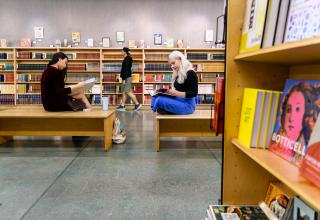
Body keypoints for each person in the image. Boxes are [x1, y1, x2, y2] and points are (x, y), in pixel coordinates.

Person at [269, 82, 319, 163]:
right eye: (288, 110)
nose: (291, 118)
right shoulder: (275, 143)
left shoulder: (308, 151)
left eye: (298, 109)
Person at [151, 50, 198, 115]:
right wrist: (165, 92)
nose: (172, 66)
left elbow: (194, 93)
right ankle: (163, 108)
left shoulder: (191, 73)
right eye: (171, 64)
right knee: (155, 95)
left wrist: (177, 93)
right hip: (179, 99)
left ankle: (163, 108)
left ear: (180, 60)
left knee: (159, 100)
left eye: (173, 63)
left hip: (188, 105)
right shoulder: (178, 73)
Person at [116, 47, 142, 111]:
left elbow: (126, 70)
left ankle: (137, 104)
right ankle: (122, 106)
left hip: (126, 78)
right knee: (124, 92)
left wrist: (124, 79)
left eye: (122, 51)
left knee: (128, 92)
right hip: (126, 77)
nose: (121, 52)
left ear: (125, 52)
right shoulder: (127, 58)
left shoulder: (127, 59)